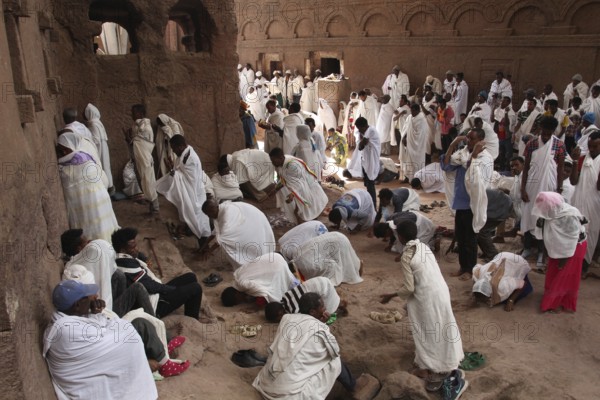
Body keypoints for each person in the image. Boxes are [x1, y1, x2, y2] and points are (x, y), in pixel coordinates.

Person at [380, 220, 466, 398]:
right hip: (441, 291)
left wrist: (391, 295)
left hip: (426, 297)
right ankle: (448, 359)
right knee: (443, 325)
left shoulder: (407, 256)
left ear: (401, 237)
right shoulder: (423, 246)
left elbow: (410, 288)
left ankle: (430, 368)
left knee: (427, 332)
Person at [43, 280, 161, 399]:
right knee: (132, 334)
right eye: (87, 298)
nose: (92, 300)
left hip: (89, 369)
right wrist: (99, 317)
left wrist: (95, 313)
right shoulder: (67, 330)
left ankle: (151, 358)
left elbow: (101, 330)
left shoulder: (65, 320)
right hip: (86, 387)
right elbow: (122, 336)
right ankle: (154, 361)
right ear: (77, 305)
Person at [254, 293, 380, 400]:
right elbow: (335, 350)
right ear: (313, 311)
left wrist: (319, 323)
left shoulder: (287, 318)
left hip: (267, 386)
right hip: (288, 395)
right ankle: (354, 387)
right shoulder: (319, 327)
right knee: (334, 360)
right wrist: (323, 325)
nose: (325, 309)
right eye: (322, 306)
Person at [60, 228, 154, 317]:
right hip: (102, 310)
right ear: (79, 249)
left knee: (118, 274)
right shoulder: (75, 273)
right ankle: (154, 321)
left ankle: (127, 309)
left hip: (107, 302)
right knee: (138, 288)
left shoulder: (83, 261)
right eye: (87, 243)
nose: (90, 242)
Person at [112, 227, 203, 319]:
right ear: (123, 250)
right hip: (155, 305)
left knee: (190, 277)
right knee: (196, 288)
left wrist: (140, 256)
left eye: (136, 245)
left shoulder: (126, 257)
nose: (136, 249)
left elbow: (144, 259)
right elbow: (151, 286)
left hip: (156, 294)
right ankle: (192, 319)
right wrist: (172, 289)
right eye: (133, 247)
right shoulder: (126, 265)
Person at [441, 128, 494, 280]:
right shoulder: (462, 155)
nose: (468, 141)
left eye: (472, 139)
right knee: (461, 237)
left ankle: (470, 270)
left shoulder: (485, 158)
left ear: (480, 141)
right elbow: (446, 165)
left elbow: (476, 176)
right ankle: (463, 267)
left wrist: (475, 155)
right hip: (460, 202)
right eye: (467, 138)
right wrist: (452, 144)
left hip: (472, 203)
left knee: (470, 239)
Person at [56, 132, 119, 242]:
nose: (63, 152)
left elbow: (68, 178)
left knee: (93, 230)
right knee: (103, 226)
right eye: (61, 150)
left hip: (89, 203)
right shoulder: (85, 156)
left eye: (64, 149)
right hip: (100, 198)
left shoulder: (75, 162)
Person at [520, 116, 566, 263]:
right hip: (532, 187)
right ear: (540, 129)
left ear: (553, 131)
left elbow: (560, 169)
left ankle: (542, 251)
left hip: (549, 188)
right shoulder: (532, 144)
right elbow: (526, 168)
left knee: (544, 219)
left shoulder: (559, 145)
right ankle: (527, 247)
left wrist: (559, 189)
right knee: (528, 215)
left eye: (549, 132)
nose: (545, 135)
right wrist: (523, 188)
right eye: (544, 132)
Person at [532, 192, 587, 313]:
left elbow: (570, 242)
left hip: (574, 249)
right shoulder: (548, 213)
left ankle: (554, 303)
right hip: (559, 248)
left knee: (563, 275)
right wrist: (549, 254)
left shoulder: (568, 216)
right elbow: (544, 236)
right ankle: (553, 298)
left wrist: (563, 262)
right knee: (554, 272)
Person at [156, 135, 211, 249]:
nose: (173, 151)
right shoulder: (184, 155)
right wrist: (173, 170)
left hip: (194, 193)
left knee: (198, 220)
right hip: (191, 191)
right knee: (192, 218)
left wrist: (173, 171)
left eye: (174, 148)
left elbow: (191, 180)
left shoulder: (191, 159)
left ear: (180, 146)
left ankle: (204, 246)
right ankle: (197, 238)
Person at [201, 198, 274, 268]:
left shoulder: (226, 213)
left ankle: (253, 259)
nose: (209, 216)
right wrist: (204, 245)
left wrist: (209, 251)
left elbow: (223, 238)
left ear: (216, 207)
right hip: (246, 221)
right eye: (207, 214)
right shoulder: (219, 211)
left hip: (254, 220)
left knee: (231, 241)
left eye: (210, 213)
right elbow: (216, 231)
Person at [269, 147, 328, 224]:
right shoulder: (283, 164)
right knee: (305, 210)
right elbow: (285, 179)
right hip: (303, 188)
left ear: (280, 158)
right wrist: (276, 189)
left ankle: (311, 224)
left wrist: (293, 194)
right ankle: (310, 222)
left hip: (308, 186)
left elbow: (301, 183)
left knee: (309, 208)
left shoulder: (292, 165)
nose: (272, 163)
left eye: (273, 161)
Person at [221, 252, 299, 307]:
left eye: (238, 302)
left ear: (236, 295)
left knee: (274, 296)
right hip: (273, 256)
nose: (241, 302)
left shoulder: (244, 284)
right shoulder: (237, 275)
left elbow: (263, 293)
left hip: (277, 266)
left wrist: (256, 307)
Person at [571, 130, 600, 273]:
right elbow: (573, 180)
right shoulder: (582, 159)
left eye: (595, 146)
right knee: (575, 230)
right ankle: (572, 262)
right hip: (579, 200)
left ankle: (585, 264)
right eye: (590, 146)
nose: (592, 150)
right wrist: (575, 161)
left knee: (592, 231)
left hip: (594, 203)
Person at [291, 232, 363, 286]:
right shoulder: (296, 256)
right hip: (337, 237)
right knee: (342, 260)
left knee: (342, 260)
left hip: (337, 240)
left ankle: (357, 267)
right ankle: (357, 265)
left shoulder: (303, 264)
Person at [265, 276, 346, 323]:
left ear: (280, 313)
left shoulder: (294, 310)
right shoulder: (285, 297)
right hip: (320, 280)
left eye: (277, 320)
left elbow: (308, 319)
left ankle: (339, 305)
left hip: (324, 288)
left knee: (325, 314)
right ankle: (337, 300)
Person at [124, 104, 159, 213]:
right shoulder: (136, 126)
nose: (131, 115)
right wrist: (129, 140)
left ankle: (155, 205)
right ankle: (152, 205)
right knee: (144, 181)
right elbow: (135, 143)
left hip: (146, 159)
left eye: (133, 112)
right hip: (139, 159)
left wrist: (131, 139)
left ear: (140, 113)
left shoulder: (146, 128)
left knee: (149, 181)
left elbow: (142, 144)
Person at [84, 103, 114, 192]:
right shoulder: (98, 123)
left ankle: (106, 188)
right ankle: (110, 186)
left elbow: (96, 140)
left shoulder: (93, 124)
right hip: (103, 147)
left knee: (101, 166)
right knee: (106, 166)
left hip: (99, 148)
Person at [477, 189, 513, 261]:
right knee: (479, 230)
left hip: (501, 208)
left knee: (482, 231)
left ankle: (492, 255)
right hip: (498, 206)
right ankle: (488, 253)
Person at [355, 117, 381, 209]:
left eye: (360, 128)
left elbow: (362, 145)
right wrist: (362, 141)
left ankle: (373, 207)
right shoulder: (365, 132)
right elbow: (360, 146)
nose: (359, 131)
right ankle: (370, 204)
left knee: (370, 184)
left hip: (372, 160)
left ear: (364, 126)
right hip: (366, 160)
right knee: (367, 183)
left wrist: (362, 141)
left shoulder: (371, 130)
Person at [400, 103, 429, 181]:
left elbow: (421, 135)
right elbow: (406, 129)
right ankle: (407, 177)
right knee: (408, 161)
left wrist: (411, 140)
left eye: (413, 111)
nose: (411, 113)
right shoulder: (409, 117)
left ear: (417, 110)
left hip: (418, 147)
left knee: (417, 163)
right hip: (409, 145)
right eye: (411, 111)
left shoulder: (422, 119)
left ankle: (416, 179)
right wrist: (404, 137)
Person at [492, 96, 517, 170]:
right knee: (501, 153)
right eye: (501, 101)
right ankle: (502, 168)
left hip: (507, 137)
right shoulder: (499, 110)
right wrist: (493, 108)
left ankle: (508, 169)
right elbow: (492, 119)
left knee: (508, 154)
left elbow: (506, 124)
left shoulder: (511, 113)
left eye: (504, 101)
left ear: (508, 103)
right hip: (500, 136)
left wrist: (506, 113)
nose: (501, 102)